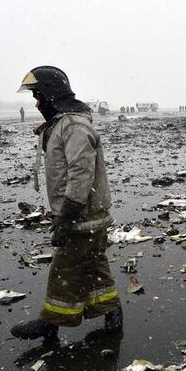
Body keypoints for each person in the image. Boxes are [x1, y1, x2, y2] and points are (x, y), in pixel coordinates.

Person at [11, 65, 121, 340]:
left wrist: (67, 217)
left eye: (38, 95)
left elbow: (81, 174)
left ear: (52, 94)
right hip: (88, 216)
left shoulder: (73, 127)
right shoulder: (64, 125)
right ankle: (113, 315)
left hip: (82, 217)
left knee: (65, 269)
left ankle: (50, 323)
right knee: (94, 267)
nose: (36, 103)